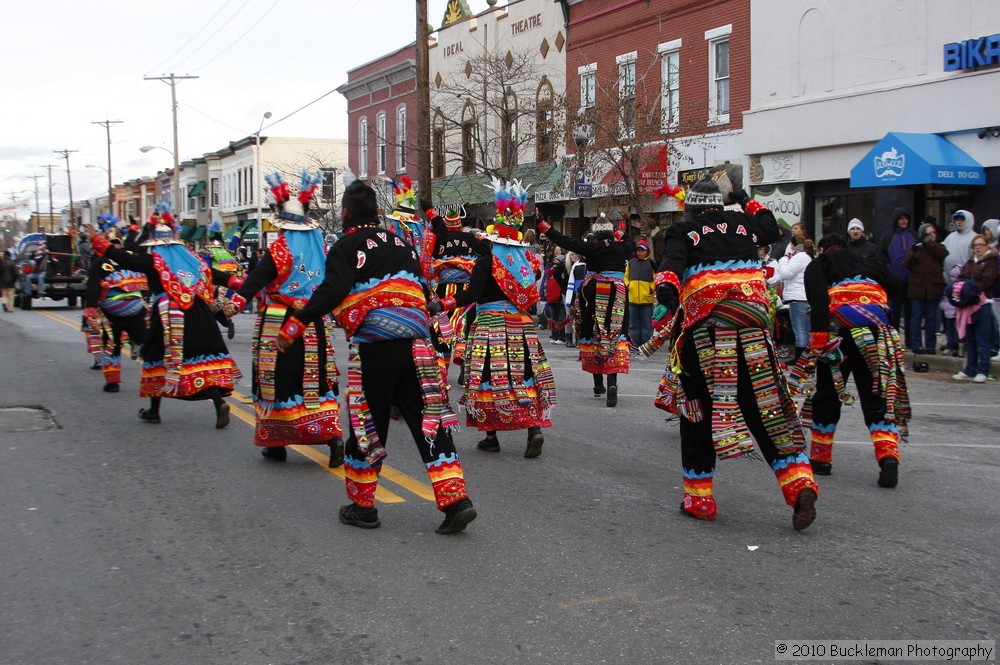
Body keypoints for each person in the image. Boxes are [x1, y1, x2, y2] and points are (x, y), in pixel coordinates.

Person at [276, 180, 475, 535]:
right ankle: (456, 500)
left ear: (346, 213)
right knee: (426, 419)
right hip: (418, 344)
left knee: (369, 424)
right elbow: (421, 286)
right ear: (378, 213)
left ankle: (363, 506)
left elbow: (333, 290)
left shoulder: (346, 246)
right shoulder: (401, 243)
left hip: (376, 346)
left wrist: (296, 324)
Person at [651, 177, 818, 529]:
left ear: (690, 208)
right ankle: (799, 482)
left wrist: (665, 291)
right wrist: (743, 196)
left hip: (707, 336)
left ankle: (700, 500)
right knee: (766, 410)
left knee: (696, 412)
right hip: (754, 333)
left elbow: (672, 264)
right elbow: (773, 225)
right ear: (722, 203)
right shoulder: (747, 224)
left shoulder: (683, 230)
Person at [224, 171, 344, 465]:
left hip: (279, 320)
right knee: (314, 380)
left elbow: (257, 278)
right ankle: (332, 437)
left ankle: (277, 444)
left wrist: (236, 303)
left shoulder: (280, 248)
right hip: (313, 320)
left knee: (278, 379)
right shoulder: (320, 248)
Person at [85, 206, 242, 429]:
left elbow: (125, 259)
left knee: (154, 355)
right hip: (198, 312)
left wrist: (100, 243)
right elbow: (215, 275)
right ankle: (218, 403)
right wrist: (241, 284)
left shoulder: (154, 260)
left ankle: (154, 411)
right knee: (199, 356)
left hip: (169, 312)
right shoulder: (191, 259)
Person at [435, 179, 556, 457]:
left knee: (489, 376)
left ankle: (491, 436)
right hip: (521, 326)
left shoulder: (486, 262)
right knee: (525, 375)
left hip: (491, 325)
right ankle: (534, 429)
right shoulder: (525, 263)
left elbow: (471, 294)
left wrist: (443, 303)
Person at [798, 233, 909, 488]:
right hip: (875, 333)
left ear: (823, 249)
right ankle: (888, 455)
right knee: (876, 395)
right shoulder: (868, 262)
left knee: (827, 394)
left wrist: (817, 341)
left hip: (840, 335)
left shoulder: (820, 264)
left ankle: (821, 459)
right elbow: (894, 287)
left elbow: (818, 299)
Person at [538, 212, 634, 407]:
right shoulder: (623, 248)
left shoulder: (591, 248)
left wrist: (543, 225)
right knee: (615, 333)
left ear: (596, 236)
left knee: (592, 331)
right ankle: (612, 380)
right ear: (611, 234)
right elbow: (629, 241)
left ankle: (598, 384)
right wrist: (618, 234)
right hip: (618, 293)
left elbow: (565, 240)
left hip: (593, 293)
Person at [83, 231, 149, 393]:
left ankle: (112, 382)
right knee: (145, 343)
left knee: (112, 346)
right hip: (135, 309)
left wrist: (91, 310)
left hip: (112, 312)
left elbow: (92, 288)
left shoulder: (99, 263)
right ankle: (156, 377)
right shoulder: (130, 259)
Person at [427, 203, 483, 380]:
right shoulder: (471, 239)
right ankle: (465, 367)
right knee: (464, 326)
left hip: (442, 290)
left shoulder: (439, 239)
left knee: (440, 329)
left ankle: (441, 374)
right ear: (459, 224)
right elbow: (485, 254)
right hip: (466, 291)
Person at [952, 234, 997, 382]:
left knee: (983, 340)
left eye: (980, 244)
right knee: (970, 340)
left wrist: (969, 287)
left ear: (987, 245)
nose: (978, 247)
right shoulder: (970, 262)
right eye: (975, 245)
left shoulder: (991, 262)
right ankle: (969, 369)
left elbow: (986, 281)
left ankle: (983, 370)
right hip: (968, 305)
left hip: (983, 305)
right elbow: (962, 276)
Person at [903, 220, 948, 355]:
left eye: (933, 233)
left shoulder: (939, 247)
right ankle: (916, 344)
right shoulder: (916, 247)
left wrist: (931, 244)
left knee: (931, 318)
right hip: (917, 289)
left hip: (933, 288)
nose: (932, 235)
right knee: (916, 317)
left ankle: (930, 345)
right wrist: (914, 253)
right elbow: (907, 264)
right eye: (928, 233)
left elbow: (943, 254)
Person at [879, 208, 917, 348]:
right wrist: (889, 271)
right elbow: (882, 256)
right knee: (894, 314)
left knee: (911, 315)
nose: (904, 221)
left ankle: (911, 342)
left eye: (906, 218)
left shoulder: (913, 235)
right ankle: (894, 342)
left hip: (912, 282)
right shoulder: (888, 236)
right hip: (895, 283)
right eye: (901, 218)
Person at [941, 210, 977, 355]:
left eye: (962, 219)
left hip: (965, 285)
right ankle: (951, 343)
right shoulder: (950, 237)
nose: (959, 222)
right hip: (948, 283)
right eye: (957, 219)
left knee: (962, 317)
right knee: (949, 316)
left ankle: (963, 343)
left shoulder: (973, 238)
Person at [776, 222, 814, 359]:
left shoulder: (799, 257)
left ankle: (801, 359)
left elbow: (785, 273)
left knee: (800, 330)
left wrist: (783, 260)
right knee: (804, 329)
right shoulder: (806, 256)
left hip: (798, 297)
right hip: (802, 296)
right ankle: (806, 358)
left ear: (793, 245)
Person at [625, 239, 655, 347]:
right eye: (638, 250)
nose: (640, 253)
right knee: (633, 325)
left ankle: (645, 346)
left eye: (643, 250)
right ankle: (635, 345)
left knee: (646, 325)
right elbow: (626, 277)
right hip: (633, 299)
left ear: (647, 251)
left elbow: (656, 278)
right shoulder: (631, 263)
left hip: (646, 300)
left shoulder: (651, 263)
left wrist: (651, 288)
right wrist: (628, 285)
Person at [564, 251, 586, 347]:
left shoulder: (593, 264)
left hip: (589, 295)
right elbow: (571, 283)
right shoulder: (576, 265)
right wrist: (569, 299)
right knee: (578, 319)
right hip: (577, 295)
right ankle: (578, 339)